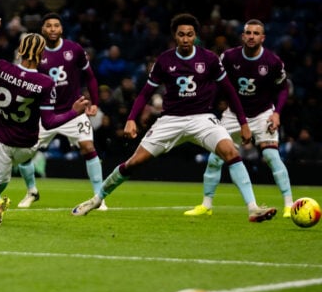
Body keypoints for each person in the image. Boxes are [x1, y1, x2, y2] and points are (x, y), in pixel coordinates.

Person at [72, 13, 277, 222]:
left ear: (195, 35)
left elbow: (230, 92)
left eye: (190, 35)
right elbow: (145, 93)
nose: (186, 39)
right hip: (170, 119)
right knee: (134, 163)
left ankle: (252, 207)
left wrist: (243, 123)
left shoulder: (209, 59)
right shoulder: (165, 60)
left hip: (202, 118)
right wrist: (131, 118)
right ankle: (97, 199)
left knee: (231, 152)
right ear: (175, 36)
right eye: (181, 35)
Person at [0, 20, 90, 226]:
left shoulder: (1, 68)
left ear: (20, 51)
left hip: (1, 140)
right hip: (28, 146)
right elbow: (49, 123)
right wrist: (74, 112)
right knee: (2, 179)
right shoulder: (45, 82)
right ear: (42, 55)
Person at [185, 18, 294, 217]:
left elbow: (283, 89)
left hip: (262, 114)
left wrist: (277, 113)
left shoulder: (272, 61)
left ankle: (289, 205)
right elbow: (218, 83)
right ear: (243, 36)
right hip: (234, 115)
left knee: (271, 156)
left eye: (256, 33)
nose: (251, 36)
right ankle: (206, 205)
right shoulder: (229, 57)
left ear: (263, 37)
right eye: (248, 33)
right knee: (215, 159)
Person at [13, 12, 106, 210]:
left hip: (73, 110)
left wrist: (95, 102)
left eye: (56, 25)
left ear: (61, 29)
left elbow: (90, 76)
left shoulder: (75, 49)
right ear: (42, 30)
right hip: (44, 113)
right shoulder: (35, 53)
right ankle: (31, 191)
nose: (53, 29)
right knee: (23, 153)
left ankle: (99, 197)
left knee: (89, 148)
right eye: (49, 26)